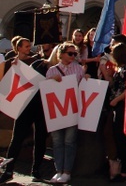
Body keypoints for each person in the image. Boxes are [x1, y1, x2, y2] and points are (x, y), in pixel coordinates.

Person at [0, 38, 47, 183]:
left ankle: (36, 170)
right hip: (23, 107)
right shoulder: (11, 63)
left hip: (39, 105)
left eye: (30, 46)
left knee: (40, 138)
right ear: (18, 48)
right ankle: (9, 170)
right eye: (26, 46)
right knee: (17, 139)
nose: (29, 48)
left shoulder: (39, 61)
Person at [45, 41, 87, 184]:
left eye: (75, 54)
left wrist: (86, 79)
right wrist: (51, 80)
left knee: (69, 141)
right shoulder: (51, 70)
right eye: (70, 54)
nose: (73, 56)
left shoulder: (79, 69)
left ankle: (67, 171)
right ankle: (58, 171)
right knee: (57, 142)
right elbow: (46, 90)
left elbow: (83, 89)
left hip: (72, 109)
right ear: (61, 54)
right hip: (56, 111)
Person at [107, 42, 126, 181]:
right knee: (117, 138)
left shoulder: (125, 69)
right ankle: (123, 168)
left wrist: (117, 100)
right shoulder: (119, 69)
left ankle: (125, 170)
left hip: (121, 105)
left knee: (121, 138)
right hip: (116, 105)